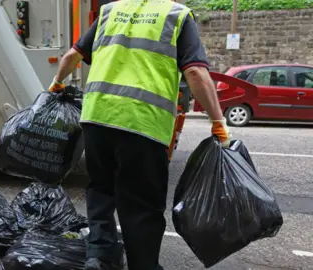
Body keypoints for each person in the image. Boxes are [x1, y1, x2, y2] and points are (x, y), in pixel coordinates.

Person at [49, 0, 231, 269]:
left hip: (97, 117)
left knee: (100, 188)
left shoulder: (110, 11)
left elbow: (72, 56)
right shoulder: (176, 16)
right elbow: (194, 71)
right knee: (141, 202)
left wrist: (57, 83)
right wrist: (217, 121)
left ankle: (99, 256)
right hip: (142, 124)